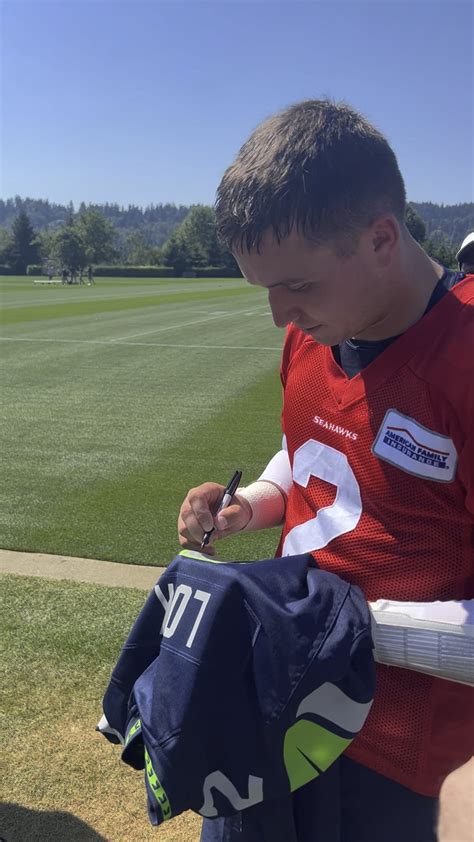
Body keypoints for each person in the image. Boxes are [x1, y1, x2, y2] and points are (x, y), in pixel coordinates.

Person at [178, 100, 474, 842]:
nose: (279, 315)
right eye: (264, 288)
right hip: (271, 697)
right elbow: (315, 454)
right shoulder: (316, 337)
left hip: (391, 747)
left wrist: (339, 629)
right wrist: (254, 505)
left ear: (380, 238)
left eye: (298, 286)